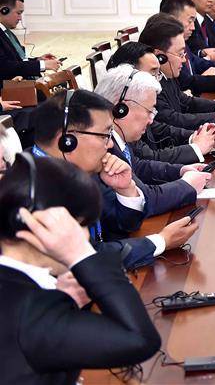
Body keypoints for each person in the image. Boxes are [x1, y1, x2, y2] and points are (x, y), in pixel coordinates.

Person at [0, 155, 161, 383]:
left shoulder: (20, 291)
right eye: (79, 226)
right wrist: (80, 254)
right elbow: (141, 340)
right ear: (35, 224)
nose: (84, 236)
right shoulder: (31, 311)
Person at [30, 90, 199, 270]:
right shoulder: (34, 192)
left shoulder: (81, 168)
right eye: (105, 135)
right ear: (68, 140)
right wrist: (161, 241)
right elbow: (87, 259)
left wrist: (126, 190)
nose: (110, 144)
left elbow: (123, 225)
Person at [93, 66, 211, 197]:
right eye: (149, 111)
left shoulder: (118, 136)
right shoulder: (102, 147)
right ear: (121, 109)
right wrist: (186, 186)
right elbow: (145, 197)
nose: (151, 120)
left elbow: (137, 167)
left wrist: (180, 171)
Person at [107, 42, 215, 164]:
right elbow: (148, 161)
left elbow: (158, 129)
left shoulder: (137, 103)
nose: (157, 80)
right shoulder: (122, 118)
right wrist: (197, 147)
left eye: (158, 73)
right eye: (152, 73)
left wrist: (196, 137)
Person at [138, 15, 215, 130]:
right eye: (180, 54)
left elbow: (186, 102)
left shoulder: (165, 75)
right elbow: (174, 120)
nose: (184, 60)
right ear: (159, 56)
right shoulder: (146, 85)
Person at [0, 0, 63, 81]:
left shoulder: (8, 33)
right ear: (4, 10)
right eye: (18, 13)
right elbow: (5, 66)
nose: (20, 18)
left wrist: (38, 60)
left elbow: (18, 61)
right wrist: (42, 65)